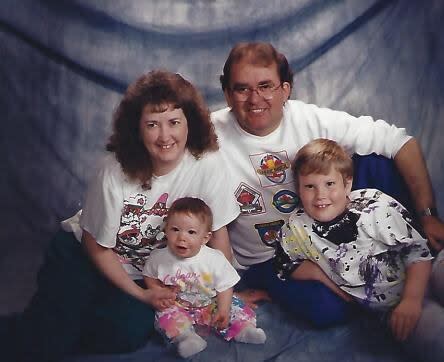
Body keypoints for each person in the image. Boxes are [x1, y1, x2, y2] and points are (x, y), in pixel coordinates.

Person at [6, 70, 240, 362]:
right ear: (137, 129)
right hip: (81, 254)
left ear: (189, 123)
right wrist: (142, 296)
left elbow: (217, 234)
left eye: (174, 122)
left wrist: (225, 292)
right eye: (152, 124)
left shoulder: (207, 164)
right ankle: (48, 321)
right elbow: (96, 245)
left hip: (140, 269)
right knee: (46, 345)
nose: (165, 136)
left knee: (126, 334)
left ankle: (71, 314)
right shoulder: (114, 170)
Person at [211, 41, 444, 327]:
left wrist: (427, 215)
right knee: (325, 311)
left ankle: (417, 251)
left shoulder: (311, 119)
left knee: (375, 161)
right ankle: (372, 291)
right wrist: (221, 286)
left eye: (265, 86)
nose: (255, 98)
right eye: (242, 88)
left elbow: (401, 143)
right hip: (271, 256)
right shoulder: (208, 137)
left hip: (336, 230)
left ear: (285, 89)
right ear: (227, 93)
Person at [274, 138, 444, 362]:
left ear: (347, 184)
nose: (320, 195)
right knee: (436, 337)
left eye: (329, 184)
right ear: (298, 189)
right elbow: (286, 265)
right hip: (390, 309)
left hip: (428, 271)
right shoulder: (295, 229)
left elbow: (418, 252)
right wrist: (324, 277)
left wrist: (411, 300)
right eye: (309, 186)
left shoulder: (375, 206)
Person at [143, 197, 266, 358]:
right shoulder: (159, 257)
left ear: (205, 238)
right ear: (166, 230)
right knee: (164, 314)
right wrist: (157, 290)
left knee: (234, 306)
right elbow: (149, 275)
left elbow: (226, 286)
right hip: (178, 304)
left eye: (191, 232)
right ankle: (186, 338)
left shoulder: (214, 259)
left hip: (209, 302)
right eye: (175, 229)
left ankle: (243, 330)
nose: (182, 237)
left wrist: (223, 309)